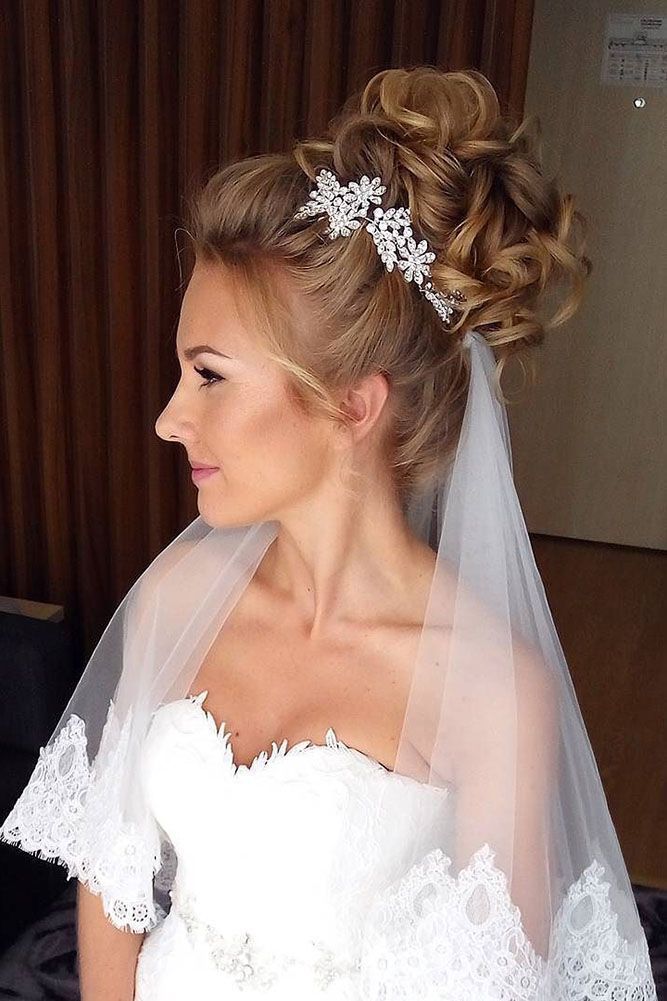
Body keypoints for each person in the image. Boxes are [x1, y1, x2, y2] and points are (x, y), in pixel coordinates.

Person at [0, 67, 657, 1001]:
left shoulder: (489, 689)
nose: (169, 419)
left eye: (209, 375)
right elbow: (113, 881)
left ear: (352, 404)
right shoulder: (176, 599)